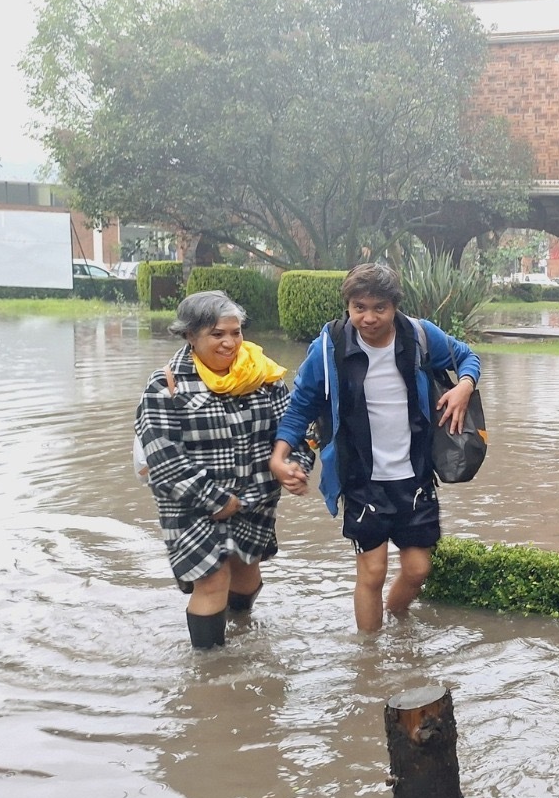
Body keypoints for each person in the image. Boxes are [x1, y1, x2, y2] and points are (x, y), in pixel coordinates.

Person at [269, 263, 481, 632]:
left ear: (395, 306)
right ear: (348, 306)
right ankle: (369, 662)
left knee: (418, 569)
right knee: (373, 570)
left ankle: (399, 623)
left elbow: (468, 357)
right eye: (359, 308)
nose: (368, 318)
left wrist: (464, 385)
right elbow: (301, 403)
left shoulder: (419, 336)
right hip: (361, 478)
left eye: (379, 308)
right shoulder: (328, 348)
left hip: (414, 474)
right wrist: (279, 455)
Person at [136, 291, 290, 650]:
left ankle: (241, 626)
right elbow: (164, 457)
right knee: (212, 577)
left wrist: (294, 465)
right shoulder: (166, 386)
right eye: (217, 334)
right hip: (190, 504)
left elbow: (291, 431)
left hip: (255, 497)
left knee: (246, 571)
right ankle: (209, 671)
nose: (230, 342)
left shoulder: (263, 377)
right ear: (190, 335)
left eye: (235, 333)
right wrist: (216, 500)